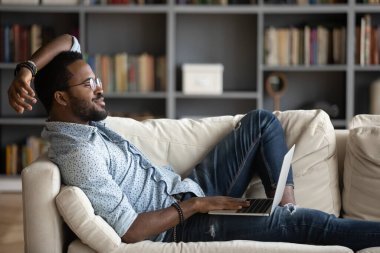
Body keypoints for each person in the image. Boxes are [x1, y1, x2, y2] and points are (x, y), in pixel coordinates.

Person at [8, 34, 380, 251]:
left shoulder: (77, 122)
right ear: (59, 97)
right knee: (321, 228)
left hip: (187, 191)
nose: (100, 88)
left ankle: (285, 206)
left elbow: (68, 41)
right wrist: (200, 205)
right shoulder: (79, 154)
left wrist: (26, 69)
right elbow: (129, 230)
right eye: (88, 84)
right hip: (184, 223)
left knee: (262, 121)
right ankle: (291, 220)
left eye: (95, 79)